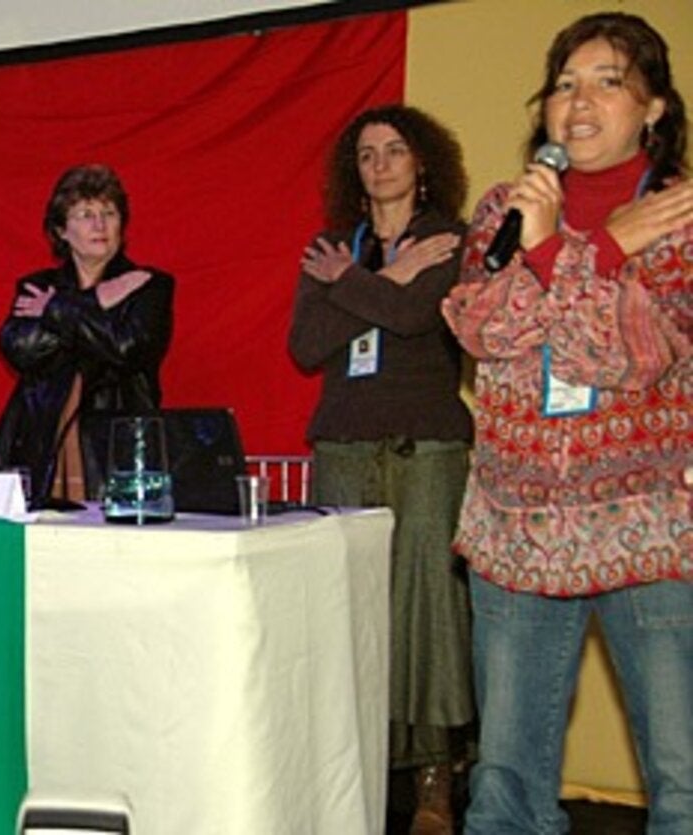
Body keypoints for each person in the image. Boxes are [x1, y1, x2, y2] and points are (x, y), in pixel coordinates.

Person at [441, 12, 693, 833]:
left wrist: (568, 255)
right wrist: (595, 250)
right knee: (504, 788)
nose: (578, 103)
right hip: (518, 526)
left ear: (654, 106)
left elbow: (632, 353)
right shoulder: (505, 208)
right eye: (564, 84)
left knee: (684, 777)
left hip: (650, 525)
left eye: (608, 81)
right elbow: (483, 327)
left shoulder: (683, 214)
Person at [289, 104, 473, 834]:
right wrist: (387, 275)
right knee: (343, 609)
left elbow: (416, 318)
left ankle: (434, 774)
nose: (381, 165)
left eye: (395, 151)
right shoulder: (335, 245)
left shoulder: (451, 240)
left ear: (422, 161)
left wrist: (360, 286)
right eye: (366, 154)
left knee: (427, 601)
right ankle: (351, 761)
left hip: (425, 446)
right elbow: (307, 344)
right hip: (342, 446)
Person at [0, 164, 174, 507]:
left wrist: (57, 311)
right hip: (40, 446)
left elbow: (127, 348)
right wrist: (95, 304)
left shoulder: (148, 285)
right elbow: (21, 349)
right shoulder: (38, 286)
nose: (100, 224)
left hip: (118, 448)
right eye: (85, 214)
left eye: (109, 213)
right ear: (61, 230)